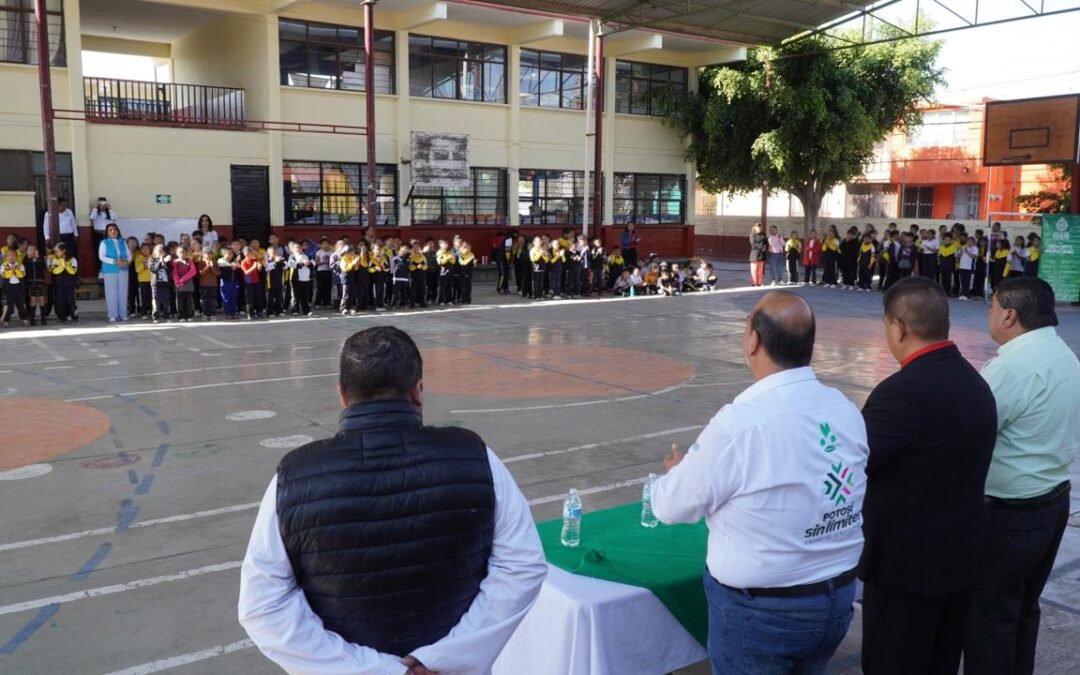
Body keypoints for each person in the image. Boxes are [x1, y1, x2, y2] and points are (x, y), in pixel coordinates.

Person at [238, 327, 547, 675]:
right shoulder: (474, 455)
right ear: (418, 390)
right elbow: (522, 565)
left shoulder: (293, 475)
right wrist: (446, 657)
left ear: (342, 394)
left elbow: (263, 606)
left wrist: (375, 669)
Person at [652, 292, 867, 675]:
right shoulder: (844, 408)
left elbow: (670, 506)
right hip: (834, 600)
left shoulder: (740, 423)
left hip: (763, 613)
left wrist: (679, 473)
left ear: (753, 341)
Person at [859, 277, 997, 675]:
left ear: (898, 327)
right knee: (940, 662)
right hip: (959, 558)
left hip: (905, 571)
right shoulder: (975, 382)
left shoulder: (901, 392)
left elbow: (854, 462)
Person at [965, 277, 1080, 675]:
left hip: (1010, 514)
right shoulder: (1063, 355)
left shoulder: (1012, 368)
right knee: (1023, 609)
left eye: (992, 307)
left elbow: (971, 433)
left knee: (990, 617)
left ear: (1009, 314)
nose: (991, 314)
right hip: (1052, 501)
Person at [98, 222, 130, 322]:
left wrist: (126, 261)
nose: (113, 231)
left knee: (123, 292)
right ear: (107, 232)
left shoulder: (122, 242)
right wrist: (114, 261)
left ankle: (123, 314)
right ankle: (112, 314)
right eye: (110, 230)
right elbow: (101, 256)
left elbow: (129, 255)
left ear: (118, 231)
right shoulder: (104, 243)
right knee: (111, 292)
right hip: (110, 270)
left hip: (123, 269)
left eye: (115, 229)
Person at [50, 243, 78, 323]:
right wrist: (62, 266)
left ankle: (72, 315)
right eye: (55, 251)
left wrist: (66, 266)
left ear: (64, 251)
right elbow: (54, 271)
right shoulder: (55, 260)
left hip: (69, 283)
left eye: (58, 251)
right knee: (60, 300)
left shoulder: (72, 259)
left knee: (70, 299)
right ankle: (62, 316)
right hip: (59, 283)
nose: (56, 253)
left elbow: (73, 271)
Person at [89, 197, 116, 272]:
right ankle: (100, 269)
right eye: (100, 204)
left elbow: (114, 217)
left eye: (104, 204)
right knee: (99, 251)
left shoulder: (109, 213)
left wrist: (109, 208)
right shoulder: (95, 213)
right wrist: (95, 208)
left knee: (109, 251)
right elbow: (91, 217)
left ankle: (109, 267)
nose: (102, 206)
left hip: (108, 234)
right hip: (98, 234)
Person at [171, 247, 197, 322]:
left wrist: (182, 280)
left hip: (188, 284)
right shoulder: (175, 262)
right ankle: (181, 316)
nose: (182, 254)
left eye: (184, 252)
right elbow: (174, 273)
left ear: (186, 253)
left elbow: (193, 271)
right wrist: (177, 282)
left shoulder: (189, 260)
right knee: (180, 301)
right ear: (177, 253)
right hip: (179, 285)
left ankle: (189, 315)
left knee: (188, 301)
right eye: (180, 252)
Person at [748, 222, 767, 287]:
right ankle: (754, 282)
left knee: (760, 269)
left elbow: (766, 242)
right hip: (754, 254)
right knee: (754, 269)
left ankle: (759, 282)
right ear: (755, 227)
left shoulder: (763, 234)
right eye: (758, 227)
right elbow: (753, 243)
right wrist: (761, 246)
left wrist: (765, 247)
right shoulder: (752, 234)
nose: (759, 228)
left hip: (762, 254)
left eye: (760, 227)